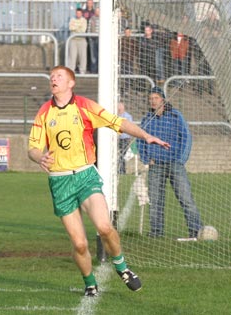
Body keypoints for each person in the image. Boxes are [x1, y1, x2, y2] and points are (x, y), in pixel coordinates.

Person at [28, 66, 170, 297]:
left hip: (85, 175)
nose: (54, 79)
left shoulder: (85, 106)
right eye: (52, 76)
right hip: (59, 181)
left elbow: (119, 123)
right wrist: (39, 157)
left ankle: (122, 268)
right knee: (80, 244)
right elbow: (32, 148)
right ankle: (90, 283)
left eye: (59, 76)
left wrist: (146, 136)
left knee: (104, 227)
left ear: (71, 83)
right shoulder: (44, 112)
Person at [137, 86, 203, 239]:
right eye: (150, 98)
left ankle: (196, 230)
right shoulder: (147, 119)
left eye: (156, 98)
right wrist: (146, 159)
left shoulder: (176, 116)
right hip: (156, 165)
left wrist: (181, 159)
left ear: (163, 100)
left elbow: (186, 137)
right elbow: (141, 139)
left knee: (185, 198)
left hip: (174, 163)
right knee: (155, 201)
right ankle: (156, 233)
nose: (153, 101)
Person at [67, 8, 88, 74]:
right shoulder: (72, 19)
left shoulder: (84, 20)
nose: (78, 14)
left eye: (79, 13)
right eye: (77, 13)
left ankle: (82, 71)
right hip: (73, 40)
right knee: (72, 56)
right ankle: (71, 70)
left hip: (82, 40)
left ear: (81, 13)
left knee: (82, 56)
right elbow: (70, 28)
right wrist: (78, 27)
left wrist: (75, 28)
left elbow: (83, 30)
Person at [119, 27, 138, 96]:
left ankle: (127, 89)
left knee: (129, 73)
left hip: (130, 60)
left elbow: (136, 50)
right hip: (123, 59)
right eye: (126, 32)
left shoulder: (133, 41)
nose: (127, 33)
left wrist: (133, 57)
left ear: (130, 33)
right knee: (123, 74)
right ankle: (123, 89)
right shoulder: (121, 40)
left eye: (128, 32)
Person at [117, 102, 133, 174]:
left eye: (120, 106)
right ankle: (120, 170)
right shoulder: (116, 116)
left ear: (123, 107)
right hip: (117, 139)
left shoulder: (128, 116)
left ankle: (122, 170)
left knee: (122, 154)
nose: (119, 108)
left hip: (125, 139)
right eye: (118, 106)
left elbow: (130, 127)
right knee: (119, 154)